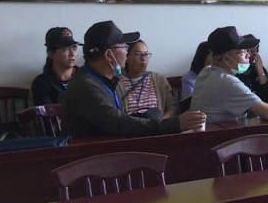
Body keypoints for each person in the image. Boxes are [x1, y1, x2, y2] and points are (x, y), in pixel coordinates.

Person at [62, 21, 206, 136]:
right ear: (108, 55)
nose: (126, 52)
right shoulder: (86, 87)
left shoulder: (101, 80)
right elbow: (119, 123)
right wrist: (175, 124)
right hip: (91, 158)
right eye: (124, 47)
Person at [191, 27, 268, 122]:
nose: (248, 55)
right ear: (226, 58)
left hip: (209, 130)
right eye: (242, 52)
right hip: (223, 131)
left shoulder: (206, 71)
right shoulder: (228, 82)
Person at [121, 40, 177, 120]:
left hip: (157, 124)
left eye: (146, 54)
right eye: (138, 54)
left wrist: (161, 123)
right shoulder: (118, 83)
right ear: (127, 57)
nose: (143, 58)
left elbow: (172, 108)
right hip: (131, 126)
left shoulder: (159, 80)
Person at [31, 27, 82, 106]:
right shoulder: (42, 83)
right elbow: (45, 112)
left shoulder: (85, 77)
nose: (72, 53)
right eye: (65, 49)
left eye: (74, 48)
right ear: (51, 53)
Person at [236, 34, 268, 104]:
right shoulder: (234, 71)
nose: (248, 54)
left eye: (253, 51)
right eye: (246, 50)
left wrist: (260, 71)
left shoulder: (258, 68)